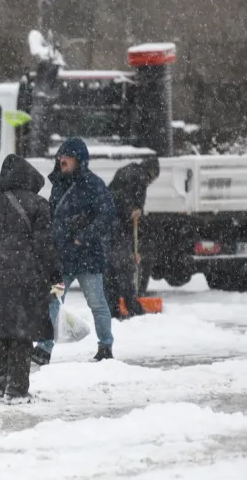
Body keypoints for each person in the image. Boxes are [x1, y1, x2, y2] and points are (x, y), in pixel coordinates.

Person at [0, 155, 62, 404]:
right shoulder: (38, 204)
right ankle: (16, 389)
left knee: (3, 328)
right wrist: (55, 275)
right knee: (22, 333)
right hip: (26, 276)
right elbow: (45, 246)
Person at [33, 137, 116, 365]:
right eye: (60, 156)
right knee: (52, 301)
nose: (62, 160)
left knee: (97, 302)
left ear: (79, 160)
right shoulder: (60, 184)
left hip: (88, 258)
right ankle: (44, 348)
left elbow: (107, 214)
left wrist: (83, 236)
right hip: (63, 258)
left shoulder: (93, 184)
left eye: (66, 156)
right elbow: (53, 217)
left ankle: (106, 346)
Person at [104, 156, 160, 319]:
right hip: (119, 224)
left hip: (107, 221)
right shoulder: (141, 177)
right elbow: (135, 206)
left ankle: (112, 308)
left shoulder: (125, 170)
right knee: (125, 266)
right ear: (152, 172)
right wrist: (134, 212)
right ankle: (132, 307)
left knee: (110, 267)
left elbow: (114, 194)